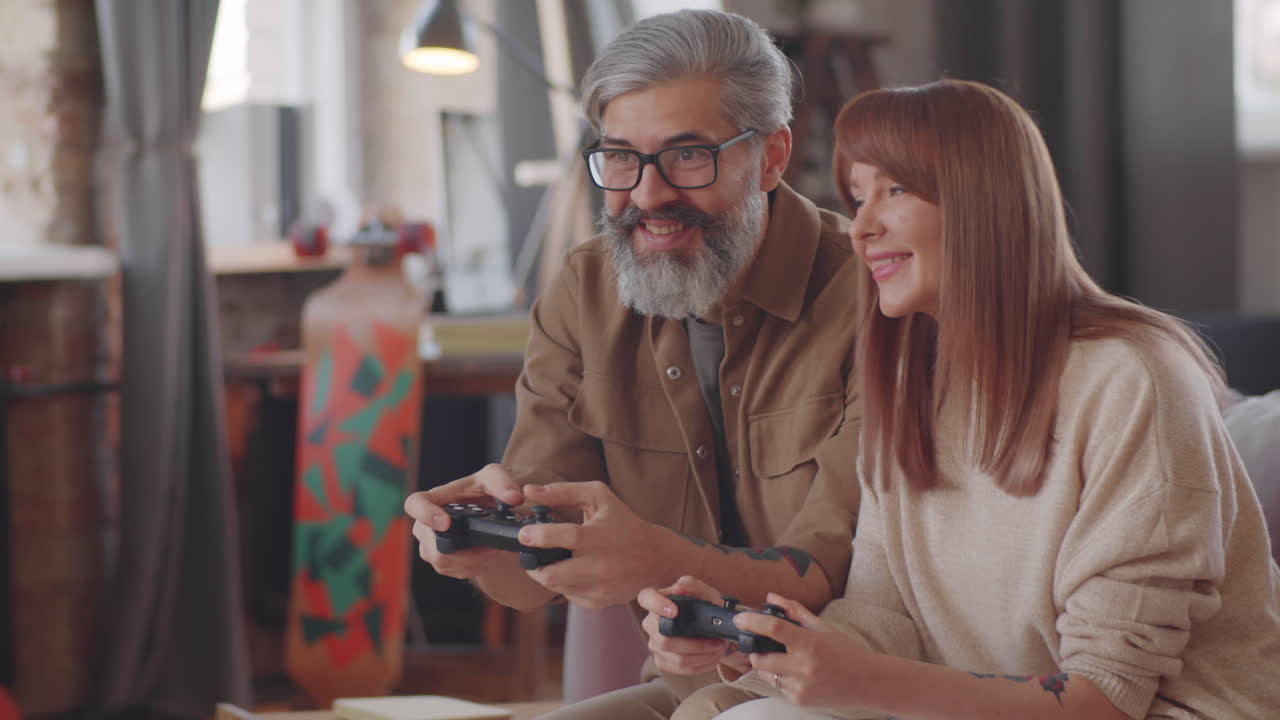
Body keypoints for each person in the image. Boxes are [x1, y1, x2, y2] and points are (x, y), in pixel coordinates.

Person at [639, 79, 1280, 719]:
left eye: (894, 190)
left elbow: (1106, 699)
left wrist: (861, 683)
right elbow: (883, 616)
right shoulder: (910, 386)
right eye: (857, 198)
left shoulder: (1133, 380)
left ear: (985, 204)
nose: (861, 228)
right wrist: (757, 645)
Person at [403, 9, 865, 718]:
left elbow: (833, 568)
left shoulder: (871, 296)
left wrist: (649, 557)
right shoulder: (584, 290)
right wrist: (491, 542)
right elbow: (531, 582)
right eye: (620, 156)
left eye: (687, 156)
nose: (647, 196)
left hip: (842, 685)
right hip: (689, 687)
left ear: (771, 156)